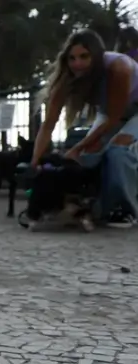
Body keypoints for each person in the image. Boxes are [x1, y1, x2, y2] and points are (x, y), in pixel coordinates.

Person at [31, 29, 138, 228]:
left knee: (118, 151)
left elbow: (114, 119)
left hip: (132, 110)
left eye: (84, 57)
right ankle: (90, 205)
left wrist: (77, 147)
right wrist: (34, 162)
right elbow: (48, 125)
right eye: (72, 58)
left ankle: (124, 210)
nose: (77, 63)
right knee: (87, 155)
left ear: (96, 56)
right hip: (110, 113)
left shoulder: (118, 68)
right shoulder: (68, 78)